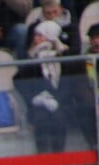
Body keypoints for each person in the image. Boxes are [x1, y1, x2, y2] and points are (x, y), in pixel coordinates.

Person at [16, 20, 71, 153]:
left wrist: (57, 99)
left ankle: (59, 156)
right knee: (41, 118)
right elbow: (18, 79)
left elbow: (69, 82)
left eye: (40, 36)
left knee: (59, 117)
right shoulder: (30, 56)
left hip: (61, 102)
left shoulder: (63, 55)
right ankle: (43, 156)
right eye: (35, 35)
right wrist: (36, 98)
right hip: (38, 103)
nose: (36, 39)